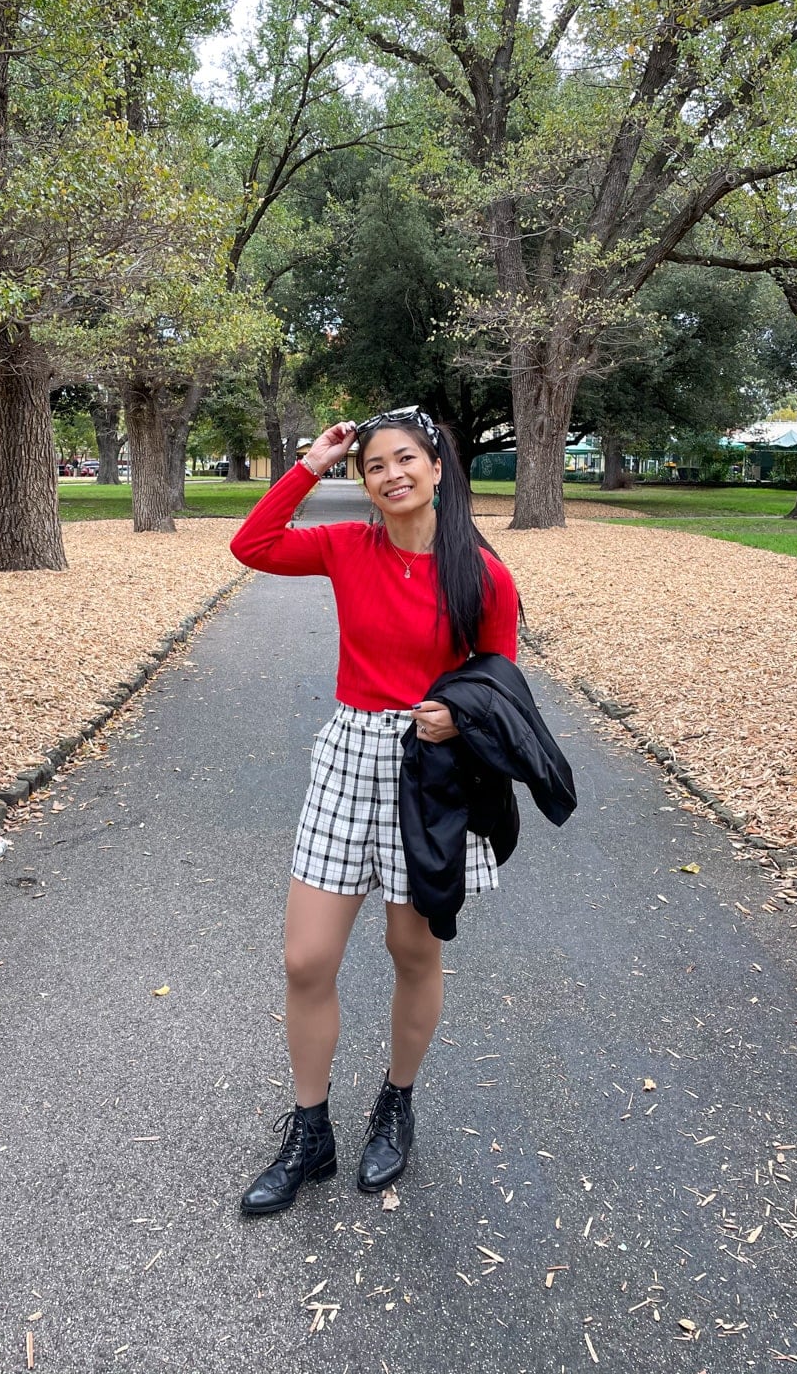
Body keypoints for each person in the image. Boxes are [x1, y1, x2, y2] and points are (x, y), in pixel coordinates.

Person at [229, 406, 519, 1217]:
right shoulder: (345, 546)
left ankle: (397, 1102)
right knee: (307, 960)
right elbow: (251, 545)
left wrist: (460, 715)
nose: (390, 475)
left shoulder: (483, 575)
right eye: (373, 465)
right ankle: (310, 1130)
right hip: (349, 757)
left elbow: (502, 681)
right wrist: (310, 463)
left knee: (411, 951)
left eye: (404, 460)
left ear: (436, 467)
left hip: (434, 775)